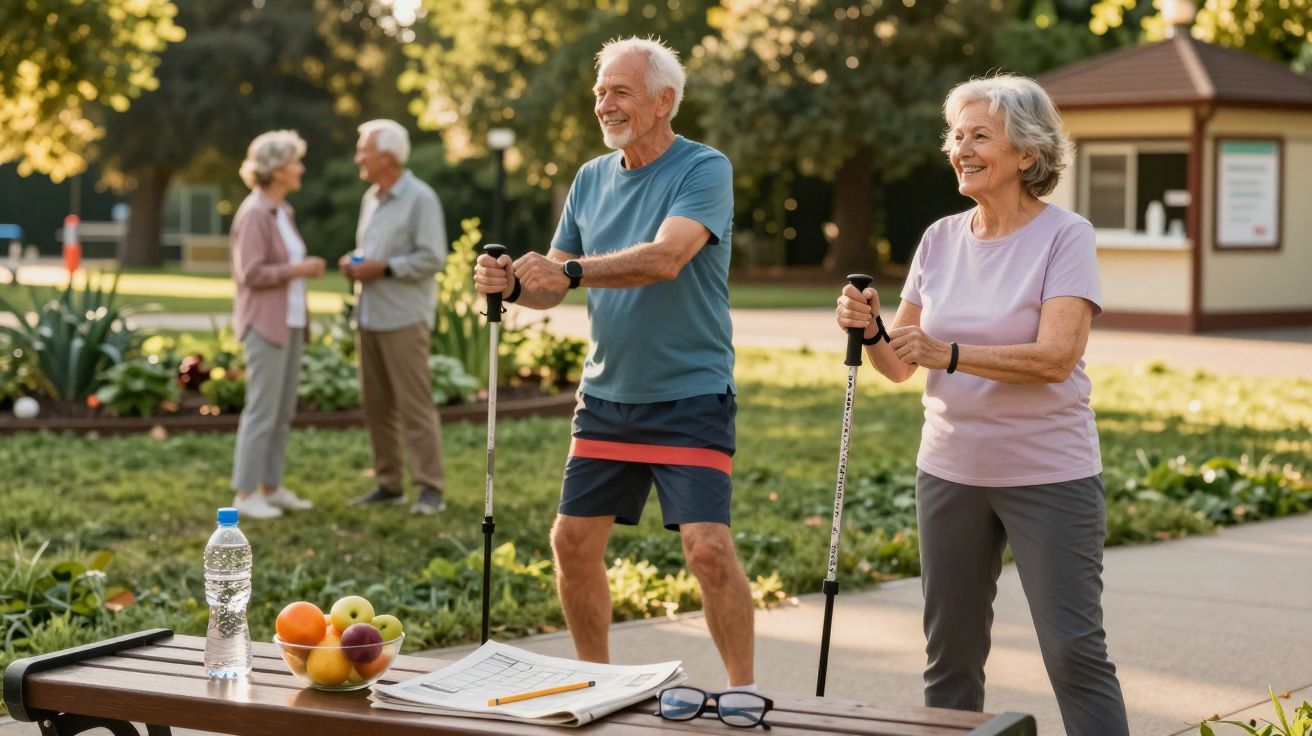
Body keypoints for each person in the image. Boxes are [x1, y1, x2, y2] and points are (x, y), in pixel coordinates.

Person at [835, 74, 1129, 734]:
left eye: (980, 136)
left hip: (1050, 473)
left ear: (1027, 153)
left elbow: (1056, 356)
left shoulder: (1065, 236)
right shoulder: (940, 238)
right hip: (951, 471)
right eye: (956, 136)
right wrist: (871, 327)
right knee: (950, 662)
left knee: (1074, 654)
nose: (961, 148)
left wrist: (951, 353)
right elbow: (900, 364)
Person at [473, 38, 756, 691]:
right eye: (600, 91)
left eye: (620, 91)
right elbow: (551, 285)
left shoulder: (703, 168)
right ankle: (595, 685)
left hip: (690, 394)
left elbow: (665, 258)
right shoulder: (590, 178)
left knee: (708, 551)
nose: (604, 103)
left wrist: (568, 269)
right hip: (608, 397)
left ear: (664, 101)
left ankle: (744, 690)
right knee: (571, 543)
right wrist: (513, 285)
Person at [339, 119, 448, 515]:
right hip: (369, 315)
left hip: (404, 318)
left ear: (386, 156)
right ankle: (388, 484)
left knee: (413, 405)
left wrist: (383, 268)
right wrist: (355, 265)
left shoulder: (421, 198)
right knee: (376, 405)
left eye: (363, 149)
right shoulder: (371, 197)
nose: (358, 157)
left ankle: (430, 489)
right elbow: (368, 251)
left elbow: (433, 257)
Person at [228, 130, 326, 519]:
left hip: (291, 322)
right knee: (262, 411)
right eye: (295, 162)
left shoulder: (282, 212)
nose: (301, 168)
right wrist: (299, 268)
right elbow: (250, 272)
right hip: (265, 325)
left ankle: (271, 486)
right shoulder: (254, 213)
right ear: (277, 169)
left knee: (282, 411)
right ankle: (245, 492)